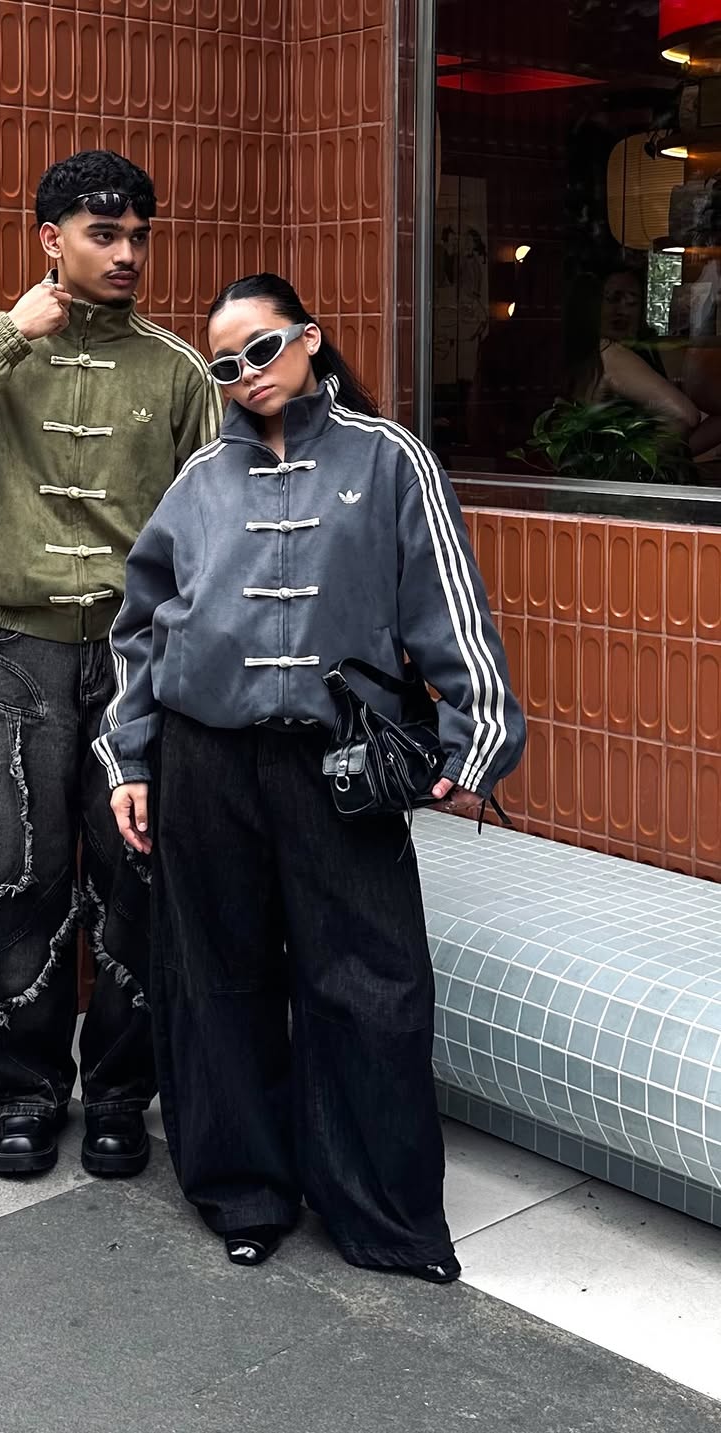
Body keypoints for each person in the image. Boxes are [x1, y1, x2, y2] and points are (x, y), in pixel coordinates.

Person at [94, 274, 526, 1280]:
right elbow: (141, 628)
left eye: (263, 347)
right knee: (216, 980)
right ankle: (242, 1192)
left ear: (310, 339)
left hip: (341, 764)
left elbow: (452, 606)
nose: (248, 373)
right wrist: (131, 758)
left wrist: (476, 742)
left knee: (372, 981)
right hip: (206, 761)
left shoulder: (389, 459)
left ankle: (386, 1217)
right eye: (226, 363)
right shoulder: (200, 478)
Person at [0, 151, 221, 1181]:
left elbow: (217, 527)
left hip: (136, 661)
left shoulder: (178, 371)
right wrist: (7, 334)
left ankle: (117, 1093)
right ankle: (23, 1091)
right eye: (103, 234)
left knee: (138, 876)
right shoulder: (2, 349)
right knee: (2, 876)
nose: (127, 254)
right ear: (51, 240)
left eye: (138, 236)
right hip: (20, 653)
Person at [564, 266, 721, 457]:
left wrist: (644, 463)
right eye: (613, 298)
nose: (623, 310)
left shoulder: (639, 352)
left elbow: (683, 416)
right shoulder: (603, 352)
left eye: (633, 302)